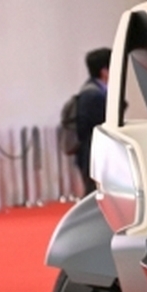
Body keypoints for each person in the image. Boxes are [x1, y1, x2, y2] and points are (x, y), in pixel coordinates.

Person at [63, 48, 111, 192]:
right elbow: (93, 127)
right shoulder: (93, 95)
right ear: (104, 71)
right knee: (94, 193)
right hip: (91, 154)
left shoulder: (93, 91)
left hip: (90, 153)